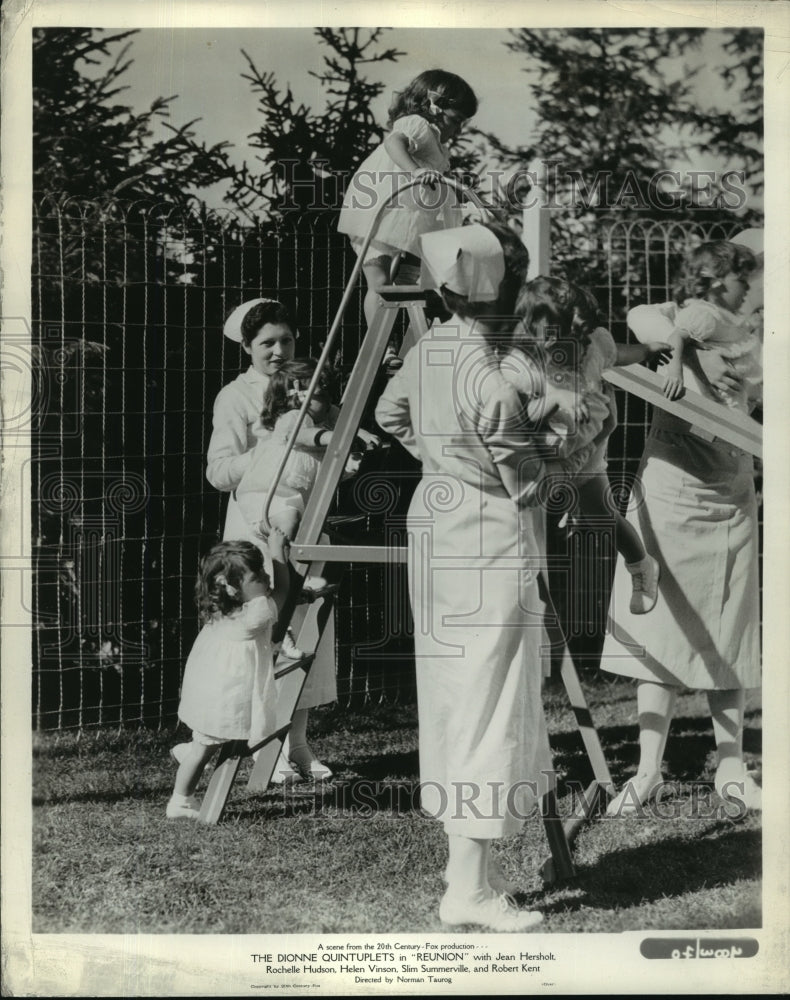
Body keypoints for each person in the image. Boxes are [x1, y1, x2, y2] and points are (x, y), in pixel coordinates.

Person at [375, 222, 554, 932]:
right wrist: (561, 449)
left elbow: (391, 414)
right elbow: (528, 486)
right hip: (485, 538)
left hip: (436, 523)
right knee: (490, 700)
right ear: (499, 290)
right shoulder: (492, 376)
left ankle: (463, 873)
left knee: (454, 693)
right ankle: (470, 892)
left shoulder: (430, 349)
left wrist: (441, 459)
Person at [600, 238, 763, 816]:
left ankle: (732, 769)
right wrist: (668, 351)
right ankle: (647, 772)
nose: (754, 288)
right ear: (721, 280)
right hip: (671, 489)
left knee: (731, 625)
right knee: (661, 630)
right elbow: (652, 321)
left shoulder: (750, 331)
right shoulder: (692, 315)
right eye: (747, 279)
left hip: (730, 488)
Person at [206, 298, 336, 783]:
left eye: (286, 340)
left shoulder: (313, 385)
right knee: (264, 634)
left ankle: (298, 744)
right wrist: (272, 451)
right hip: (256, 526)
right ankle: (268, 749)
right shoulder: (234, 396)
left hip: (304, 517)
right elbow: (218, 471)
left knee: (307, 632)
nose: (279, 351)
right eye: (267, 343)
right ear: (246, 347)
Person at [511, 275, 672, 614]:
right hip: (550, 443)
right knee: (532, 505)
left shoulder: (595, 344)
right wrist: (555, 401)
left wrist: (646, 350)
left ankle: (642, 564)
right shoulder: (524, 359)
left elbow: (619, 355)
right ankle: (529, 586)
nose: (553, 340)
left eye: (560, 330)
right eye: (543, 331)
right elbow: (518, 413)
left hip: (590, 443)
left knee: (604, 516)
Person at [338, 69, 478, 325]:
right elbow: (394, 144)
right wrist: (415, 171)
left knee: (413, 281)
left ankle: (409, 337)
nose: (457, 129)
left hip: (411, 218)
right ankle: (382, 346)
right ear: (435, 108)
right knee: (379, 280)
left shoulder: (438, 145)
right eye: (455, 120)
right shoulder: (418, 124)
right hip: (384, 208)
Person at [167, 535, 290, 819]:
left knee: (204, 743)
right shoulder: (255, 613)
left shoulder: (224, 609)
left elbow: (273, 594)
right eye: (257, 575)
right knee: (203, 748)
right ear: (233, 588)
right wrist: (277, 552)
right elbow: (284, 589)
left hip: (211, 688)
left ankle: (187, 757)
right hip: (224, 696)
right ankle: (180, 801)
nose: (266, 575)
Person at [661, 240, 761, 410]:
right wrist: (674, 372)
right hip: (708, 403)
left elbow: (732, 336)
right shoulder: (704, 314)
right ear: (716, 283)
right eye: (742, 281)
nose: (747, 288)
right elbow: (676, 337)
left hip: (727, 403)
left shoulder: (722, 316)